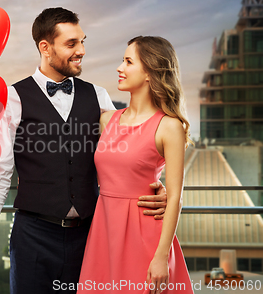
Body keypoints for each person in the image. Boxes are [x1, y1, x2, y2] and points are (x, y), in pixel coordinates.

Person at [0, 8, 168, 293]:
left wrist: (154, 185)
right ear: (45, 48)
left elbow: (128, 151)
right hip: (33, 239)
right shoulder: (13, 98)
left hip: (93, 235)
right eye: (71, 44)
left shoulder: (98, 96)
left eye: (83, 41)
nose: (82, 51)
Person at [77, 36, 193, 293]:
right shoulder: (107, 120)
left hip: (145, 235)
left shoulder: (169, 126)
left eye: (128, 61)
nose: (120, 68)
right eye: (122, 60)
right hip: (103, 233)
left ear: (150, 71)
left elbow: (174, 197)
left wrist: (161, 256)